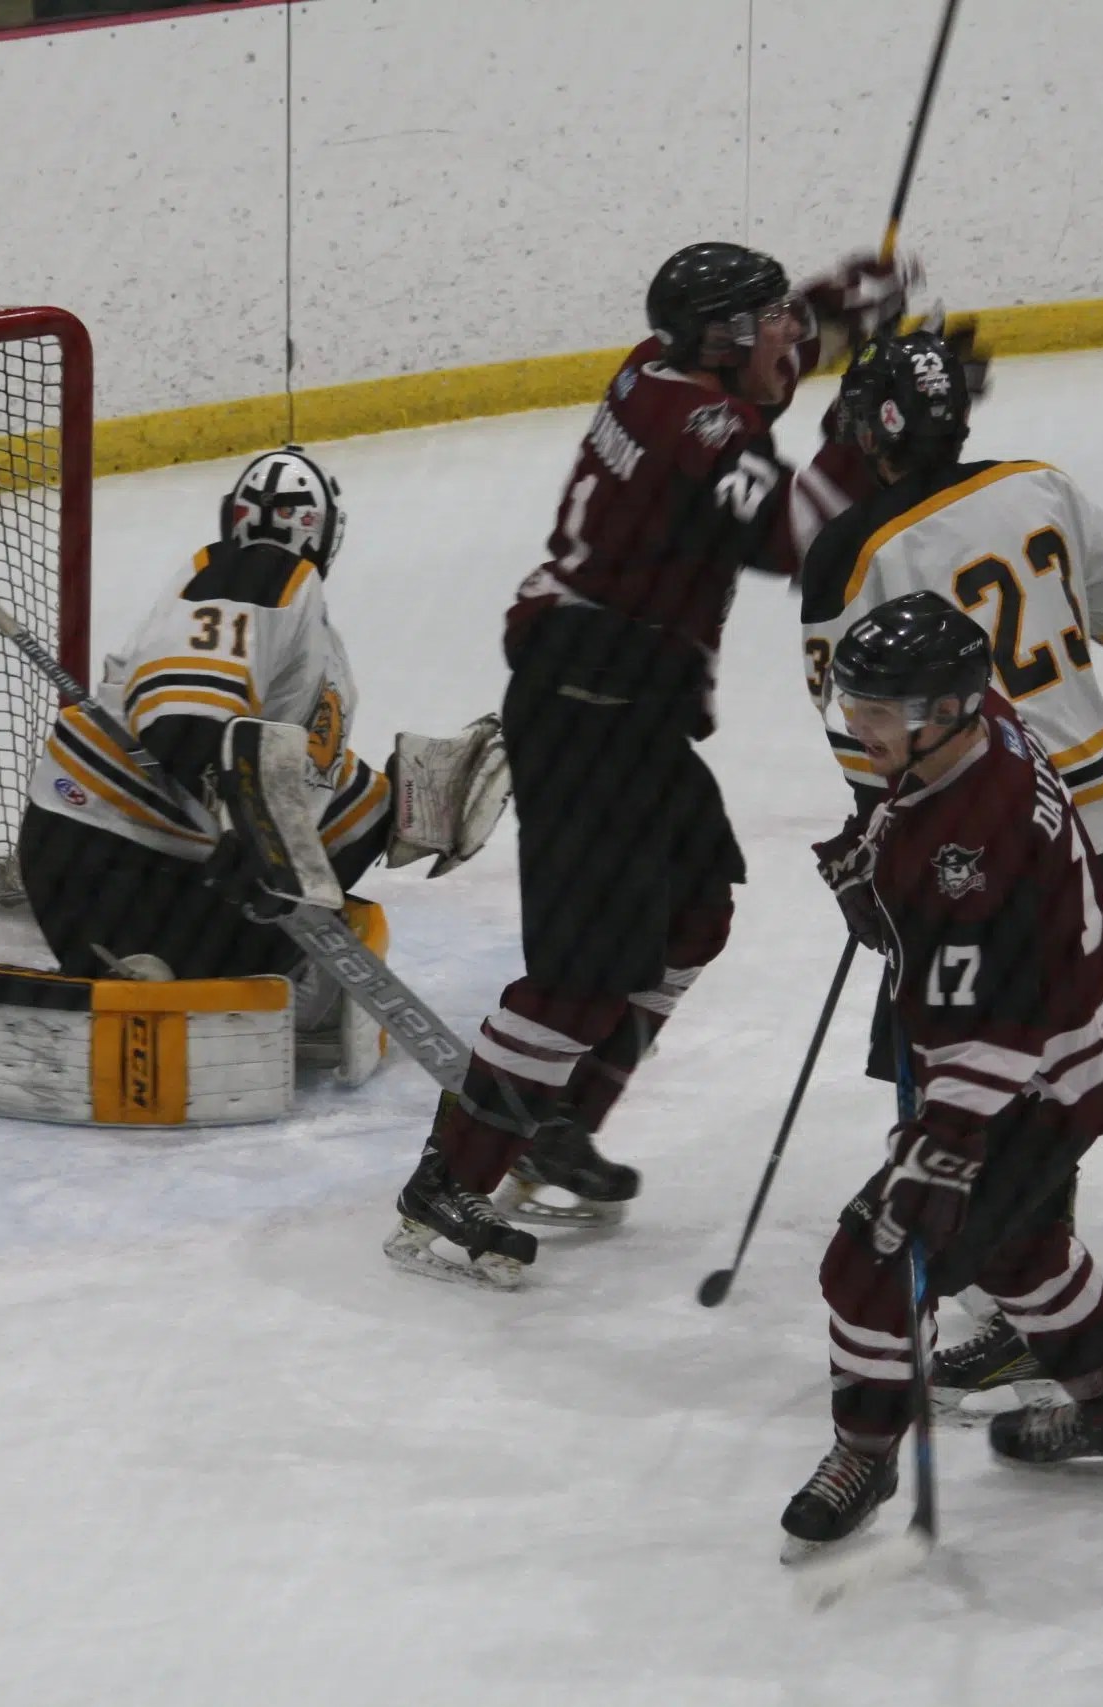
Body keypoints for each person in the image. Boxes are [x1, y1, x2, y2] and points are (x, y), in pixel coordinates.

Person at [384, 239, 914, 1289]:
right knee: (578, 978)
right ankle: (448, 1179)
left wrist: (824, 313)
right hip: (587, 712)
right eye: (767, 322)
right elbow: (796, 532)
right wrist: (863, 430)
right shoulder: (694, 423)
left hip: (621, 709)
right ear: (722, 340)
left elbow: (752, 389)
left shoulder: (664, 371)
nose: (784, 339)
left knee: (692, 913)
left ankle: (556, 1125)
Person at [799, 327, 1103, 1412]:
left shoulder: (848, 553)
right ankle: (1029, 1275)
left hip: (962, 836)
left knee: (959, 1047)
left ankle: (1005, 1273)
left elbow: (857, 743)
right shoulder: (1037, 485)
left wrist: (881, 864)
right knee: (1038, 1063)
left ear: (876, 429)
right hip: (1090, 816)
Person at [783, 593, 1103, 1559]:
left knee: (869, 1264)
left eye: (875, 712)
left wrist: (941, 1154)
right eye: (855, 703)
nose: (856, 726)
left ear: (941, 711)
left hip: (1030, 1076)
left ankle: (863, 1455)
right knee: (1019, 1250)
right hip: (1082, 1039)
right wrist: (879, 876)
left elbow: (990, 1027)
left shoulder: (965, 852)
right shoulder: (984, 725)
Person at [18, 443, 506, 993]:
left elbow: (302, 774)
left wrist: (403, 806)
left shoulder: (317, 646)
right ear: (326, 534)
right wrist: (252, 826)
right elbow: (183, 722)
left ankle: (186, 972)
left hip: (165, 870)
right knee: (159, 985)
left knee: (338, 840)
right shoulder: (250, 577)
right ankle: (135, 973)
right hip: (106, 857)